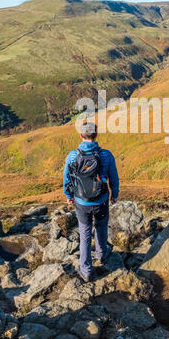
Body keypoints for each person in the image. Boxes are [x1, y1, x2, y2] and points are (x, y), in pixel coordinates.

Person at [63, 121, 119, 282]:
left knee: (85, 232)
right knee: (101, 227)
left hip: (81, 202)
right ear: (96, 134)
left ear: (81, 136)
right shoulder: (106, 155)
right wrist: (114, 195)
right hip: (101, 200)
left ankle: (86, 270)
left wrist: (69, 196)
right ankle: (102, 254)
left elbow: (67, 179)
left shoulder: (72, 156)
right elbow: (114, 178)